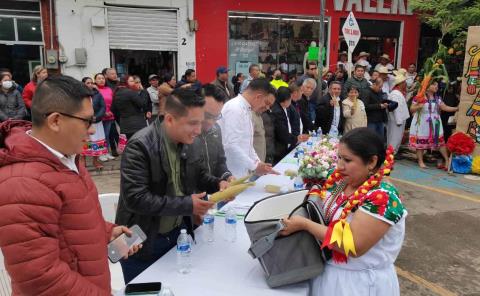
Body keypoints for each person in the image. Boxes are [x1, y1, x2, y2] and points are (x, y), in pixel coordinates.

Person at [0, 75, 141, 295]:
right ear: (55, 121)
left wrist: (107, 232)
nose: (92, 130)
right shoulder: (22, 184)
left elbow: (69, 220)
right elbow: (41, 279)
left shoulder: (66, 157)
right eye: (86, 121)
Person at [115, 88, 227, 283]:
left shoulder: (191, 141)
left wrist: (219, 183)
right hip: (140, 241)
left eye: (201, 122)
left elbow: (199, 175)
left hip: (177, 235)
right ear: (169, 119)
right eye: (193, 123)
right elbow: (136, 198)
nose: (199, 130)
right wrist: (187, 205)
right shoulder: (140, 145)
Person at [281, 127, 406, 296]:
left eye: (347, 160)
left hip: (358, 284)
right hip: (328, 275)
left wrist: (305, 225)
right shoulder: (341, 182)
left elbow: (353, 245)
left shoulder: (383, 197)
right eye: (339, 157)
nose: (339, 166)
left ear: (371, 162)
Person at [219, 78, 278, 178]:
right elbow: (231, 144)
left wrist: (259, 164)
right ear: (258, 96)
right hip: (232, 174)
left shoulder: (247, 109)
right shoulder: (235, 108)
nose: (267, 108)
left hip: (242, 172)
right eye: (267, 103)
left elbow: (248, 145)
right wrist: (255, 166)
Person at [186, 84, 234, 188]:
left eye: (216, 116)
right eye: (207, 115)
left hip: (214, 191)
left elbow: (220, 161)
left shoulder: (216, 129)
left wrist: (227, 176)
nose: (211, 122)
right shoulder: (184, 134)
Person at [409, 81, 459, 169]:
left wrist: (457, 108)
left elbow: (444, 107)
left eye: (437, 84)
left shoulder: (437, 97)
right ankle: (420, 161)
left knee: (440, 142)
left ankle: (447, 160)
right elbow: (412, 109)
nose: (437, 86)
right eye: (434, 84)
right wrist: (418, 106)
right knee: (420, 143)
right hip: (422, 122)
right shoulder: (419, 97)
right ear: (427, 87)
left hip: (435, 122)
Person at [271, 86, 309, 163]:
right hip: (279, 148)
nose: (291, 101)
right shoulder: (277, 111)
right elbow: (282, 132)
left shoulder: (284, 107)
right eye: (290, 99)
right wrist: (296, 139)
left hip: (287, 142)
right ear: (285, 100)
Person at [80, 77, 107, 169]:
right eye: (88, 83)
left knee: (96, 141)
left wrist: (97, 117)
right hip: (83, 123)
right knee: (84, 142)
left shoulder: (97, 94)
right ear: (83, 84)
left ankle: (95, 161)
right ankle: (83, 161)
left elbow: (103, 107)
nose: (90, 84)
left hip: (96, 123)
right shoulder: (79, 95)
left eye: (91, 83)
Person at [111, 75, 149, 140]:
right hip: (136, 124)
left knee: (131, 144)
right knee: (138, 145)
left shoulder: (117, 92)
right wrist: (143, 91)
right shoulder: (130, 92)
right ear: (125, 82)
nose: (134, 83)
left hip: (125, 124)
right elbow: (143, 103)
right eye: (131, 81)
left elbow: (113, 109)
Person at [95, 73, 117, 161]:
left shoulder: (108, 89)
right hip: (99, 117)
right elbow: (95, 105)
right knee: (100, 136)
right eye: (99, 78)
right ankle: (100, 153)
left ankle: (106, 152)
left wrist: (111, 111)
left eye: (103, 78)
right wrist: (103, 113)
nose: (101, 80)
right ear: (95, 80)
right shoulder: (95, 90)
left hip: (109, 116)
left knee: (107, 135)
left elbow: (113, 102)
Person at [387, 75, 410, 154]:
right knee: (394, 138)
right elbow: (397, 109)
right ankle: (390, 155)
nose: (405, 84)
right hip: (396, 120)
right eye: (404, 82)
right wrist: (399, 120)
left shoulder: (398, 93)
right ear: (400, 84)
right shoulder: (395, 94)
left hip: (398, 120)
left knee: (396, 138)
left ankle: (392, 154)